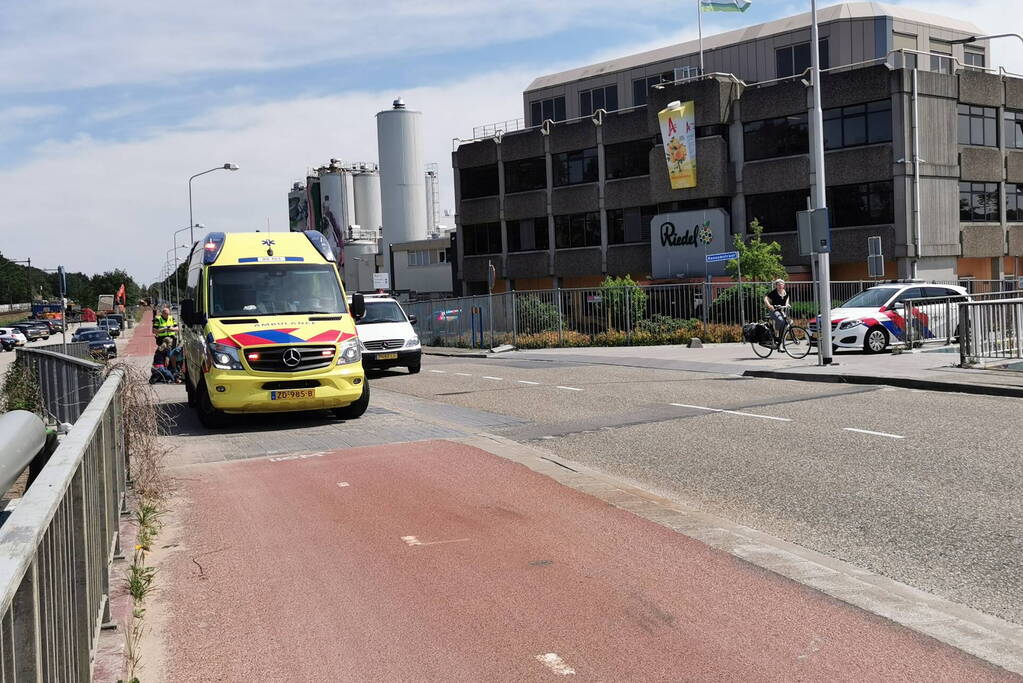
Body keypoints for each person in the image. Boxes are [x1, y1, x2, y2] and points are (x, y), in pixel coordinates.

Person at [764, 278, 790, 343]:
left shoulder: (786, 293)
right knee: (780, 320)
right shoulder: (774, 292)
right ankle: (776, 331)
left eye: (781, 285)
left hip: (781, 310)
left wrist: (787, 305)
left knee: (785, 324)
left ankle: (780, 340)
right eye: (778, 285)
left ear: (783, 285)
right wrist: (769, 305)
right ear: (776, 286)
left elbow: (787, 300)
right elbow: (765, 298)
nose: (780, 286)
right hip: (774, 310)